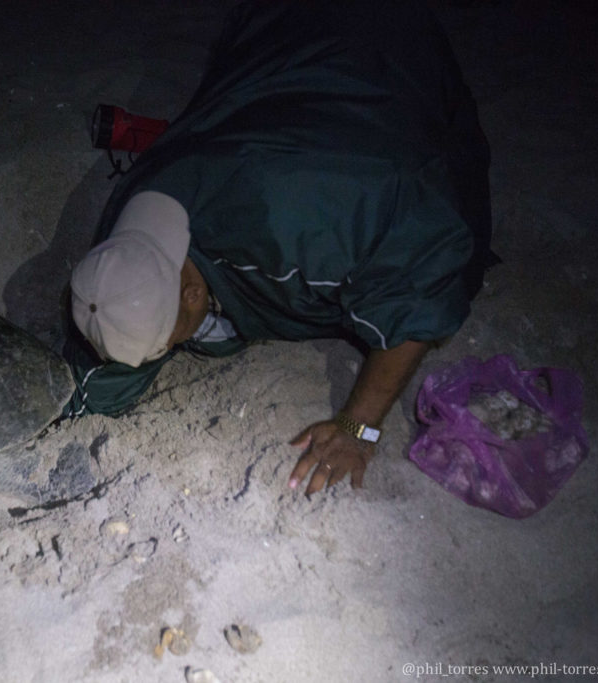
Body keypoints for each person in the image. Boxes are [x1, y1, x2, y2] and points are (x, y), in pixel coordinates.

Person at [62, 0, 494, 496]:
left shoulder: (314, 228)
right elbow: (115, 323)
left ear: (193, 296)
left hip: (391, 45)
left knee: (459, 231)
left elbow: (423, 284)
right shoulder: (128, 232)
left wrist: (359, 426)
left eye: (167, 340)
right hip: (274, 30)